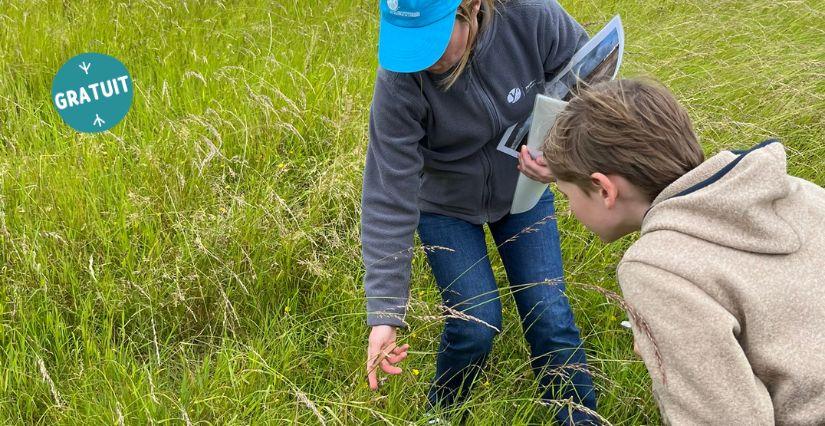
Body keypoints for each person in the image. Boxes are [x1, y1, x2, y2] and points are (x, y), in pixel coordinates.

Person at [361, 0, 599, 422]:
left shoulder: (530, 16)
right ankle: (444, 412)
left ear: (469, 8)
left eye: (430, 40)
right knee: (475, 323)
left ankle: (575, 415)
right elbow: (387, 194)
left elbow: (593, 88)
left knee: (550, 314)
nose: (419, 57)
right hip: (445, 206)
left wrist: (560, 157)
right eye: (409, 41)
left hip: (524, 189)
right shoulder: (400, 79)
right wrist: (384, 313)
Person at [540, 78, 825, 424]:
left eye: (567, 195)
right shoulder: (800, 191)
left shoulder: (655, 266)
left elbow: (723, 419)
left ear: (603, 189)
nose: (569, 210)